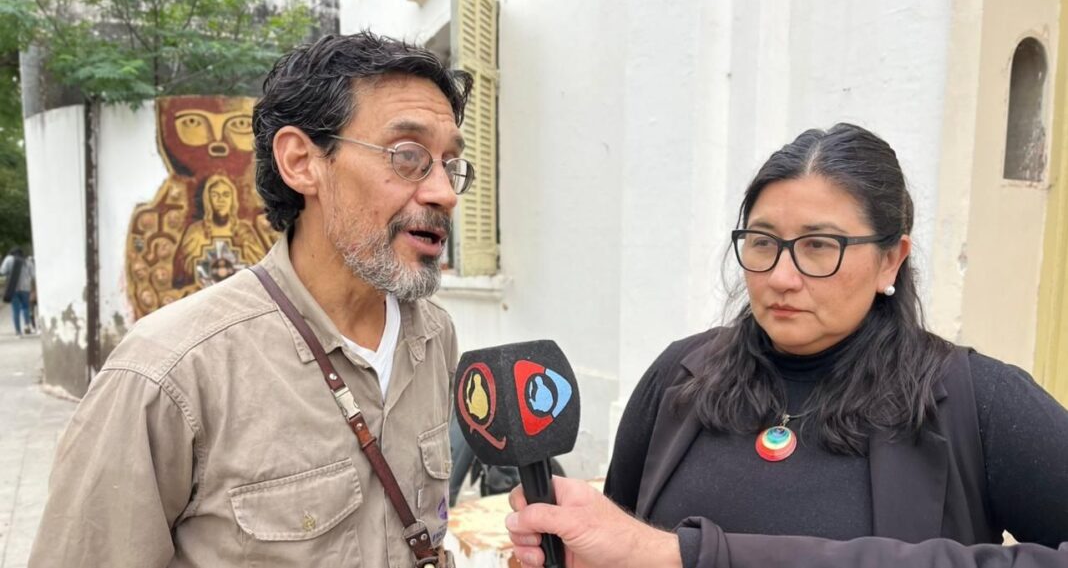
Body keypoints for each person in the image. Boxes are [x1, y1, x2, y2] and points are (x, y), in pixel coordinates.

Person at [506, 123, 1068, 567]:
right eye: (763, 242)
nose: (781, 276)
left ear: (890, 259)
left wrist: (695, 557)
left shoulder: (978, 402)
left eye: (820, 246)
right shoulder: (680, 378)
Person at [30, 31, 475, 567]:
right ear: (301, 162)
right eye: (408, 156)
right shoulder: (169, 374)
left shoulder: (434, 336)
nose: (444, 193)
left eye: (450, 164)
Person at [1, 246, 35, 336]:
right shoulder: (28, 261)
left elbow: (2, 271)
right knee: (26, 307)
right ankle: (27, 326)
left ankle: (18, 331)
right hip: (25, 288)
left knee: (15, 310)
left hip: (13, 288)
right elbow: (33, 275)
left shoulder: (8, 259)